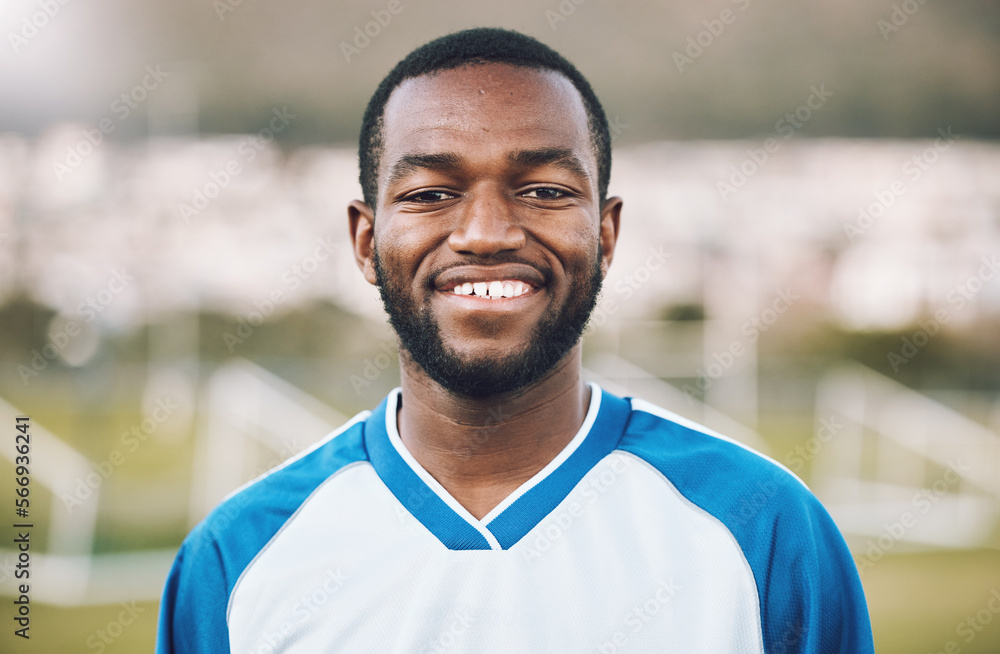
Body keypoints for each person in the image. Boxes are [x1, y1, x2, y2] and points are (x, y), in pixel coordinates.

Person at [156, 27, 874, 653]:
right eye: (431, 193)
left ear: (607, 231)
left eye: (545, 190)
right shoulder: (236, 561)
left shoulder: (768, 534)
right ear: (366, 240)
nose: (487, 233)